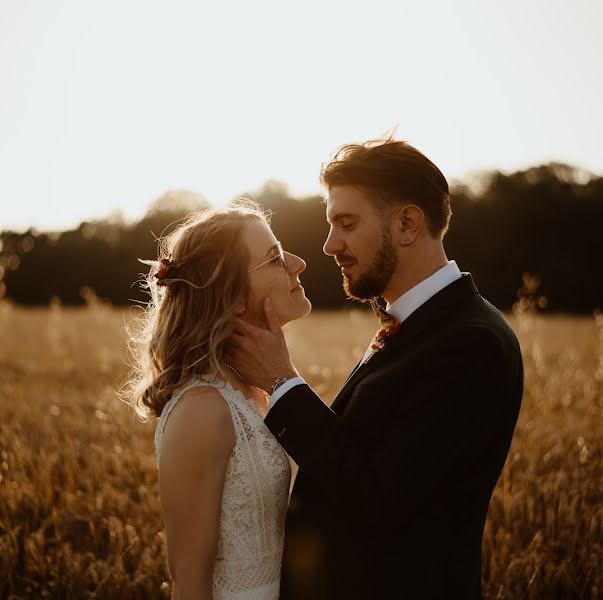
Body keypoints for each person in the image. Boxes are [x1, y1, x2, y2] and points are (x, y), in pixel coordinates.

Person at [225, 138, 524, 599]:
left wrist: (283, 382)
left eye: (346, 223)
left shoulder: (471, 343)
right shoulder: (421, 322)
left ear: (406, 223)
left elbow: (376, 498)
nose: (329, 245)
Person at [123, 200, 312, 599]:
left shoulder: (258, 388)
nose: (298, 263)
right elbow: (189, 582)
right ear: (231, 296)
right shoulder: (203, 409)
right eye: (275, 257)